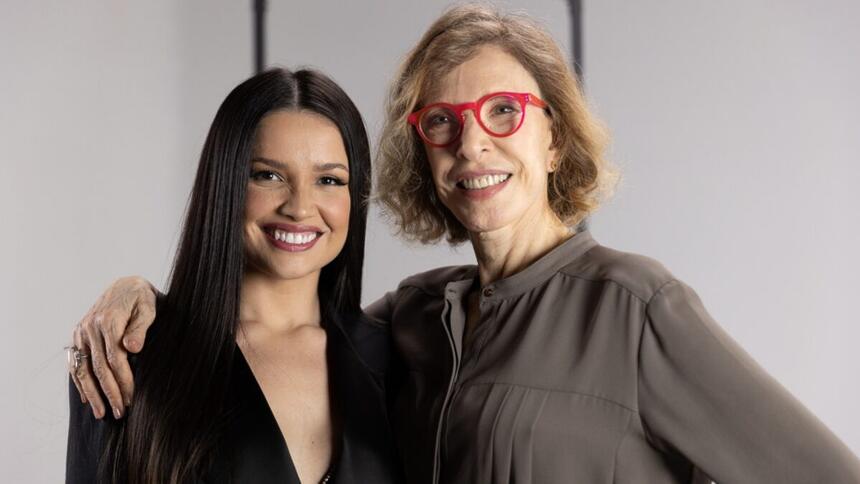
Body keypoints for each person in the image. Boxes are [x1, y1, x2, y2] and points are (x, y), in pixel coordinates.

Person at [69, 5, 860, 483]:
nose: (473, 146)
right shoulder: (409, 323)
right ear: (425, 160)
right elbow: (276, 316)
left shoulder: (635, 308)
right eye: (442, 124)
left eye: (505, 113)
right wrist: (140, 298)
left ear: (555, 137)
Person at [65, 68, 402, 483]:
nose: (300, 207)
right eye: (269, 175)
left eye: (329, 180)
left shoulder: (396, 361)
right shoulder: (129, 355)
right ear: (225, 182)